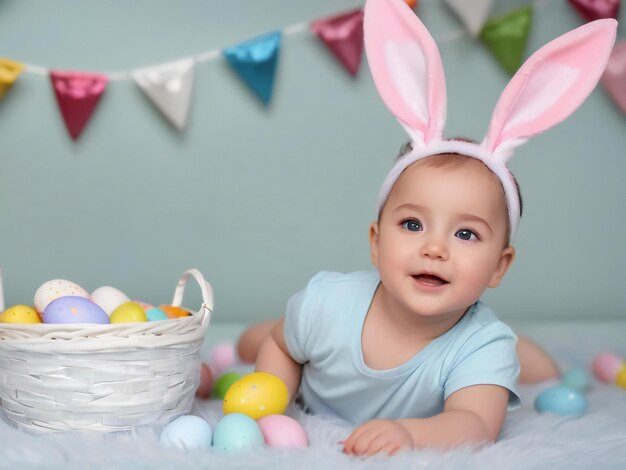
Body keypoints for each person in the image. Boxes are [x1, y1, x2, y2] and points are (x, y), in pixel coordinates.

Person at [236, 0, 616, 456]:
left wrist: (411, 434)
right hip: (311, 341)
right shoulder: (327, 303)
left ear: (499, 266)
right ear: (377, 243)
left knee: (518, 359)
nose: (435, 248)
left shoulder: (484, 345)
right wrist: (271, 398)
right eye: (413, 224)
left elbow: (475, 421)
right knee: (260, 339)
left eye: (466, 234)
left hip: (484, 349)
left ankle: (531, 354)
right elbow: (282, 348)